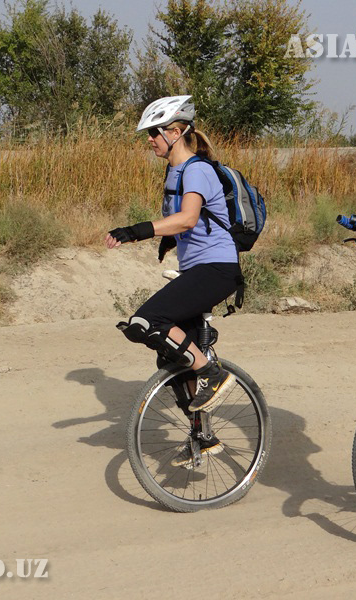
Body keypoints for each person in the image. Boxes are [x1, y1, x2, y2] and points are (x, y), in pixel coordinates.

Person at [105, 95, 241, 466]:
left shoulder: (197, 169)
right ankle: (203, 436)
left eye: (153, 132)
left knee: (147, 322)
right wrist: (170, 240)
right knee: (171, 355)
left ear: (176, 131)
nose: (149, 140)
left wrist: (138, 231)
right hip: (199, 269)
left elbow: (188, 219)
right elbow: (186, 223)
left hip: (216, 270)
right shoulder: (176, 171)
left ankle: (211, 372)